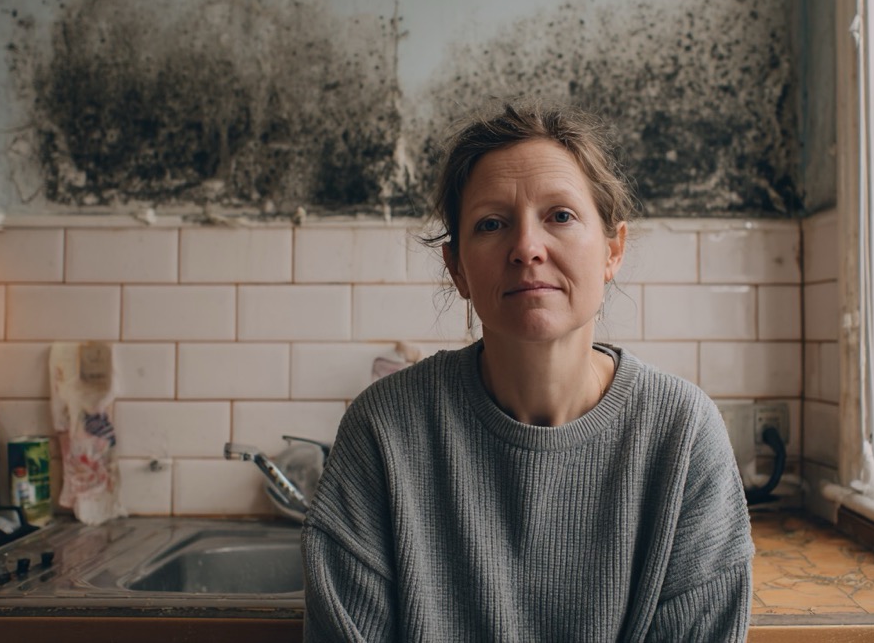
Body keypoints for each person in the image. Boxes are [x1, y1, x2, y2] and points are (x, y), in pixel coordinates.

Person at [301, 99, 754, 641]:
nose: (526, 248)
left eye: (560, 216)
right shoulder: (383, 429)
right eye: (492, 224)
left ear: (613, 250)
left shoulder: (684, 434)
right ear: (457, 267)